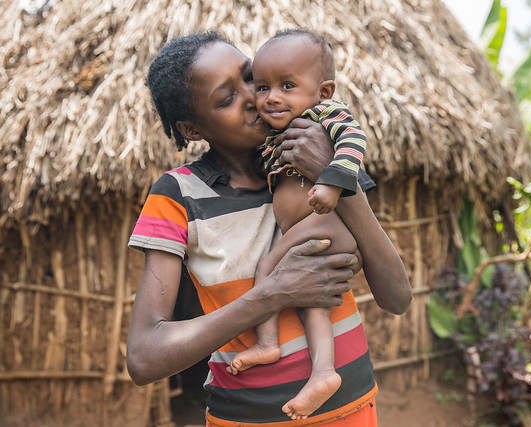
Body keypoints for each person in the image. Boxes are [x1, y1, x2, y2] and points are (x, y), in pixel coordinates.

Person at [126, 31, 412, 427]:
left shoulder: (321, 158)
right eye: (227, 99)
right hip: (248, 419)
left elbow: (397, 298)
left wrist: (334, 178)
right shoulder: (178, 196)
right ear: (192, 129)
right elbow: (143, 358)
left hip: (353, 409)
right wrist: (272, 295)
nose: (256, 98)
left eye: (250, 77)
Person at [226, 29, 370, 420]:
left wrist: (329, 181)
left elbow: (354, 142)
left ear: (323, 92)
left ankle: (267, 343)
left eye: (287, 86)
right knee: (313, 309)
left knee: (266, 268)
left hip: (326, 221)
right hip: (309, 229)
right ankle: (324, 373)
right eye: (263, 86)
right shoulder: (275, 135)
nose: (272, 97)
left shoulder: (324, 116)